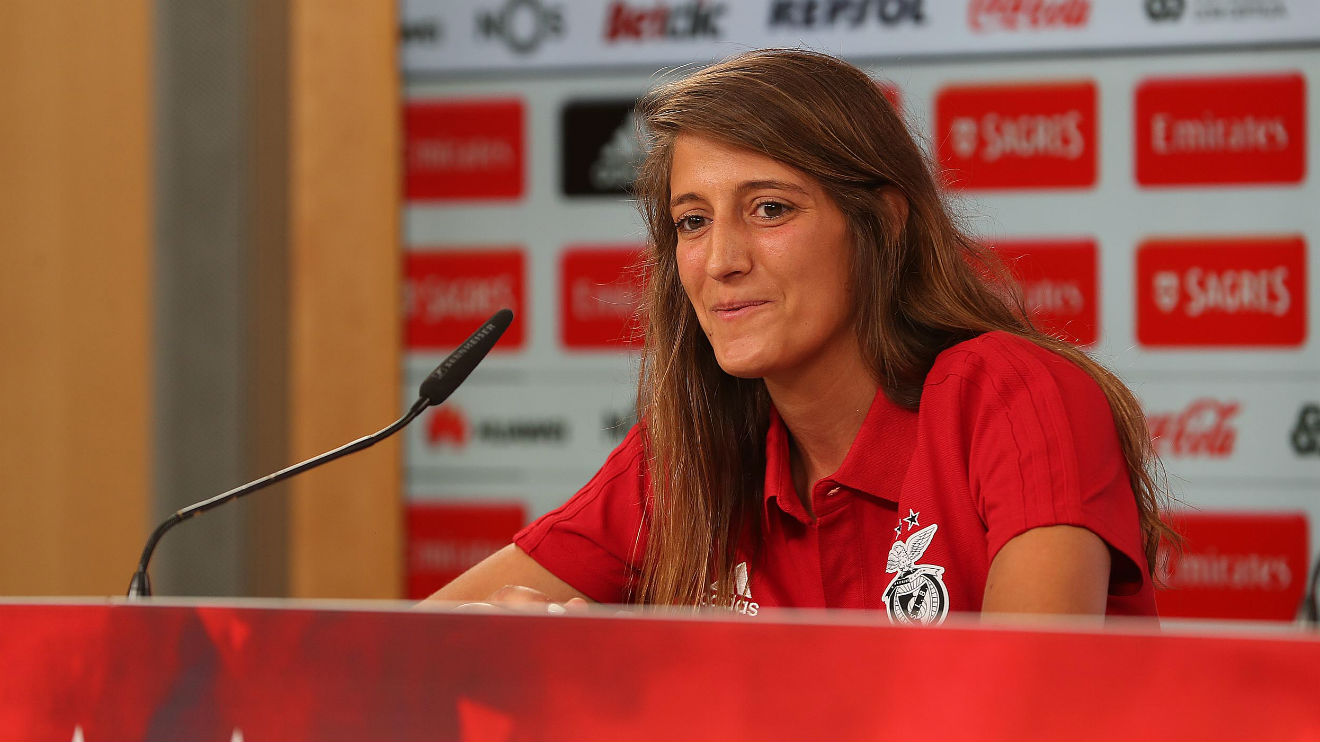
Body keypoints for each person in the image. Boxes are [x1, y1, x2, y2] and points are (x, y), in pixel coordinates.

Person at [430, 49, 1173, 623]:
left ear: (882, 221)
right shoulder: (688, 452)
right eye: (693, 221)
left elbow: (1024, 713)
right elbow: (408, 644)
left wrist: (646, 682)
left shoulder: (1014, 397)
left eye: (770, 209)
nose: (721, 261)